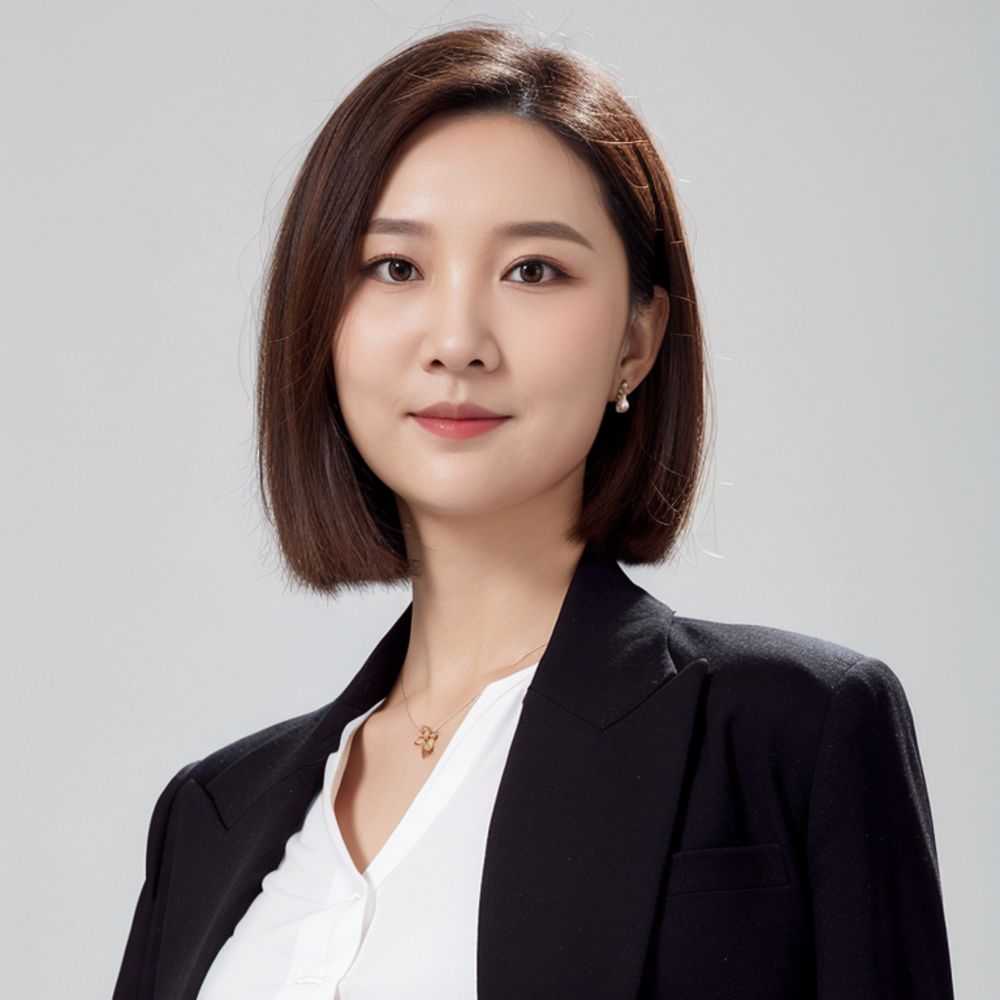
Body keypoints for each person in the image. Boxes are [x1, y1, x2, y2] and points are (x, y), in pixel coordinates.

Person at [113, 25, 953, 1000]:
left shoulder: (788, 730)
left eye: (533, 271)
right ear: (323, 322)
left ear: (637, 340)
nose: (458, 339)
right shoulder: (208, 815)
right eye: (394, 267)